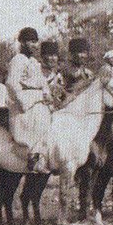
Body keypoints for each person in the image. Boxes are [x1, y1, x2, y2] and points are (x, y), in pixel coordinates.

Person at [5, 26, 50, 172]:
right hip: (24, 105)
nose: (35, 45)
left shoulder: (34, 62)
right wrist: (25, 102)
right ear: (22, 43)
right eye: (31, 42)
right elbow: (11, 83)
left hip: (38, 100)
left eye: (36, 42)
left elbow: (42, 82)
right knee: (40, 120)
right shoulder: (18, 60)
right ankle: (33, 156)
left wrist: (47, 94)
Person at [40, 40, 66, 106]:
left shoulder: (58, 75)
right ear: (43, 56)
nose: (53, 58)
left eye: (55, 55)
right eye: (50, 55)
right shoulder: (36, 71)